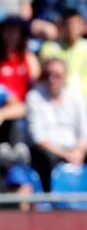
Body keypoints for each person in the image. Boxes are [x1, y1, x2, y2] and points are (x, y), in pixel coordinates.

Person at [27, 57, 87, 188]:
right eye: (48, 75)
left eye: (57, 76)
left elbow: (84, 132)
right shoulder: (34, 97)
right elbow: (38, 138)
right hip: (50, 151)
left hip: (75, 149)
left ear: (65, 77)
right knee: (45, 158)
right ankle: (51, 201)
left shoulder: (76, 98)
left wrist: (79, 152)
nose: (51, 80)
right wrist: (66, 155)